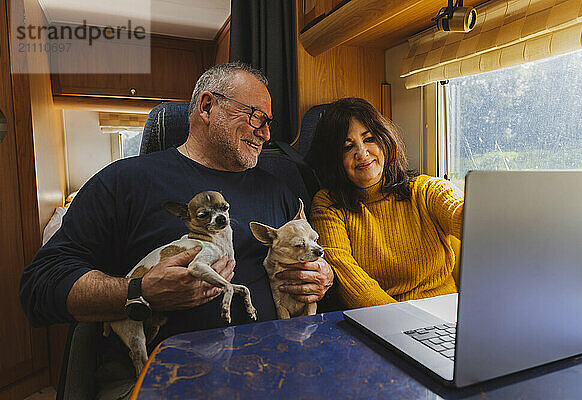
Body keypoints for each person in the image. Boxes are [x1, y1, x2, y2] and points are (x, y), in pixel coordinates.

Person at [20, 62, 334, 399]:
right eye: (255, 116)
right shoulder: (123, 182)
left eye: (267, 123)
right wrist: (141, 291)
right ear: (207, 106)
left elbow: (314, 259)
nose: (266, 133)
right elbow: (40, 286)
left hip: (274, 368)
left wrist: (323, 275)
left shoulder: (280, 191)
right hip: (165, 378)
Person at [308, 97, 462, 310]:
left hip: (444, 315)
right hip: (379, 320)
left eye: (369, 139)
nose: (362, 153)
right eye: (347, 146)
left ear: (384, 140)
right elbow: (350, 281)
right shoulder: (327, 205)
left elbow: (463, 216)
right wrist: (401, 323)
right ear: (334, 159)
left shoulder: (426, 190)